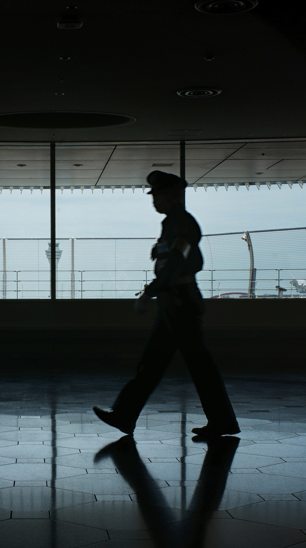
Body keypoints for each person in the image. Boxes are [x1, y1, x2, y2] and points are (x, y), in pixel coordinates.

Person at [94, 170, 238, 439]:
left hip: (180, 303)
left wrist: (149, 292)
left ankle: (223, 421)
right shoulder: (172, 224)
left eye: (157, 195)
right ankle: (125, 415)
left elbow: (174, 263)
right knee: (154, 364)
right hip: (173, 304)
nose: (153, 201)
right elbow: (170, 258)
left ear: (173, 195)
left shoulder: (182, 224)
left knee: (195, 366)